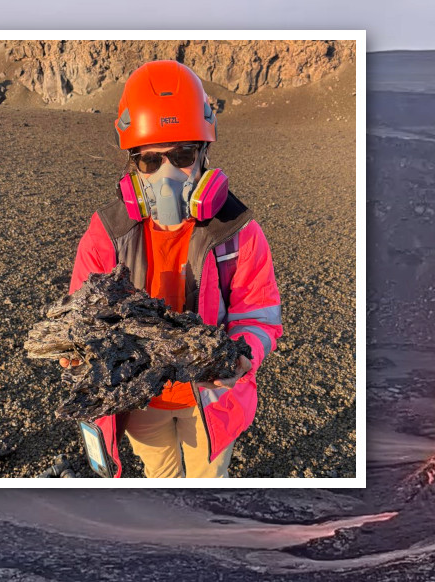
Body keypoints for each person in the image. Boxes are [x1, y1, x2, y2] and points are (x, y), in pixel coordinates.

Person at [63, 60, 282, 478]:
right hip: (142, 404)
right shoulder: (106, 233)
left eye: (182, 155)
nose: (167, 174)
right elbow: (81, 317)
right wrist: (77, 354)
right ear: (132, 165)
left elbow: (260, 315)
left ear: (204, 154)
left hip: (214, 404)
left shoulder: (239, 231)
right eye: (150, 161)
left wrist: (240, 357)